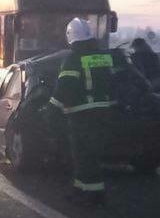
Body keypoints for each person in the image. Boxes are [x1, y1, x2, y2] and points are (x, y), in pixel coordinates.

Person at [49, 18, 131, 206]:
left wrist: (52, 108)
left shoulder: (73, 59)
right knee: (84, 154)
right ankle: (80, 189)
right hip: (105, 112)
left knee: (85, 155)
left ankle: (94, 193)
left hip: (83, 115)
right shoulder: (105, 57)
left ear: (71, 37)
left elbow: (65, 87)